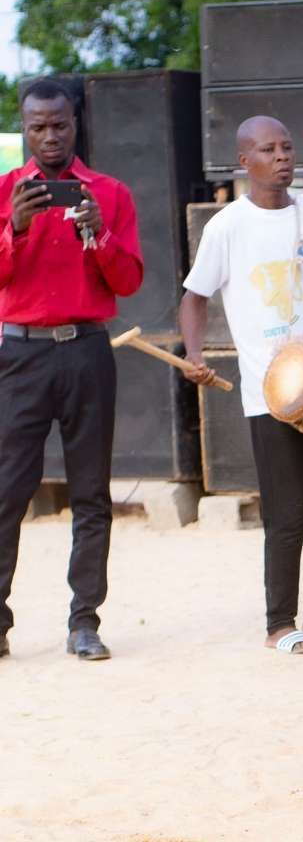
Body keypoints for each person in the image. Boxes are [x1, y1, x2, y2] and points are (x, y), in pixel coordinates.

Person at [180, 116, 303, 658]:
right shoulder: (227, 226)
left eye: (287, 146)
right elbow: (195, 295)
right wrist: (193, 354)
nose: (282, 156)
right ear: (245, 162)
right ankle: (279, 623)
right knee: (285, 512)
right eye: (268, 149)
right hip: (271, 391)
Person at [0, 80, 142, 662]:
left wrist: (97, 234)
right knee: (8, 490)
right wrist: (16, 228)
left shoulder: (108, 193)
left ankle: (84, 621)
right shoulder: (6, 192)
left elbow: (129, 281)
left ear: (75, 123)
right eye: (38, 126)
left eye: (59, 124)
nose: (50, 136)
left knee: (91, 492)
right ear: (25, 127)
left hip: (86, 349)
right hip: (20, 353)